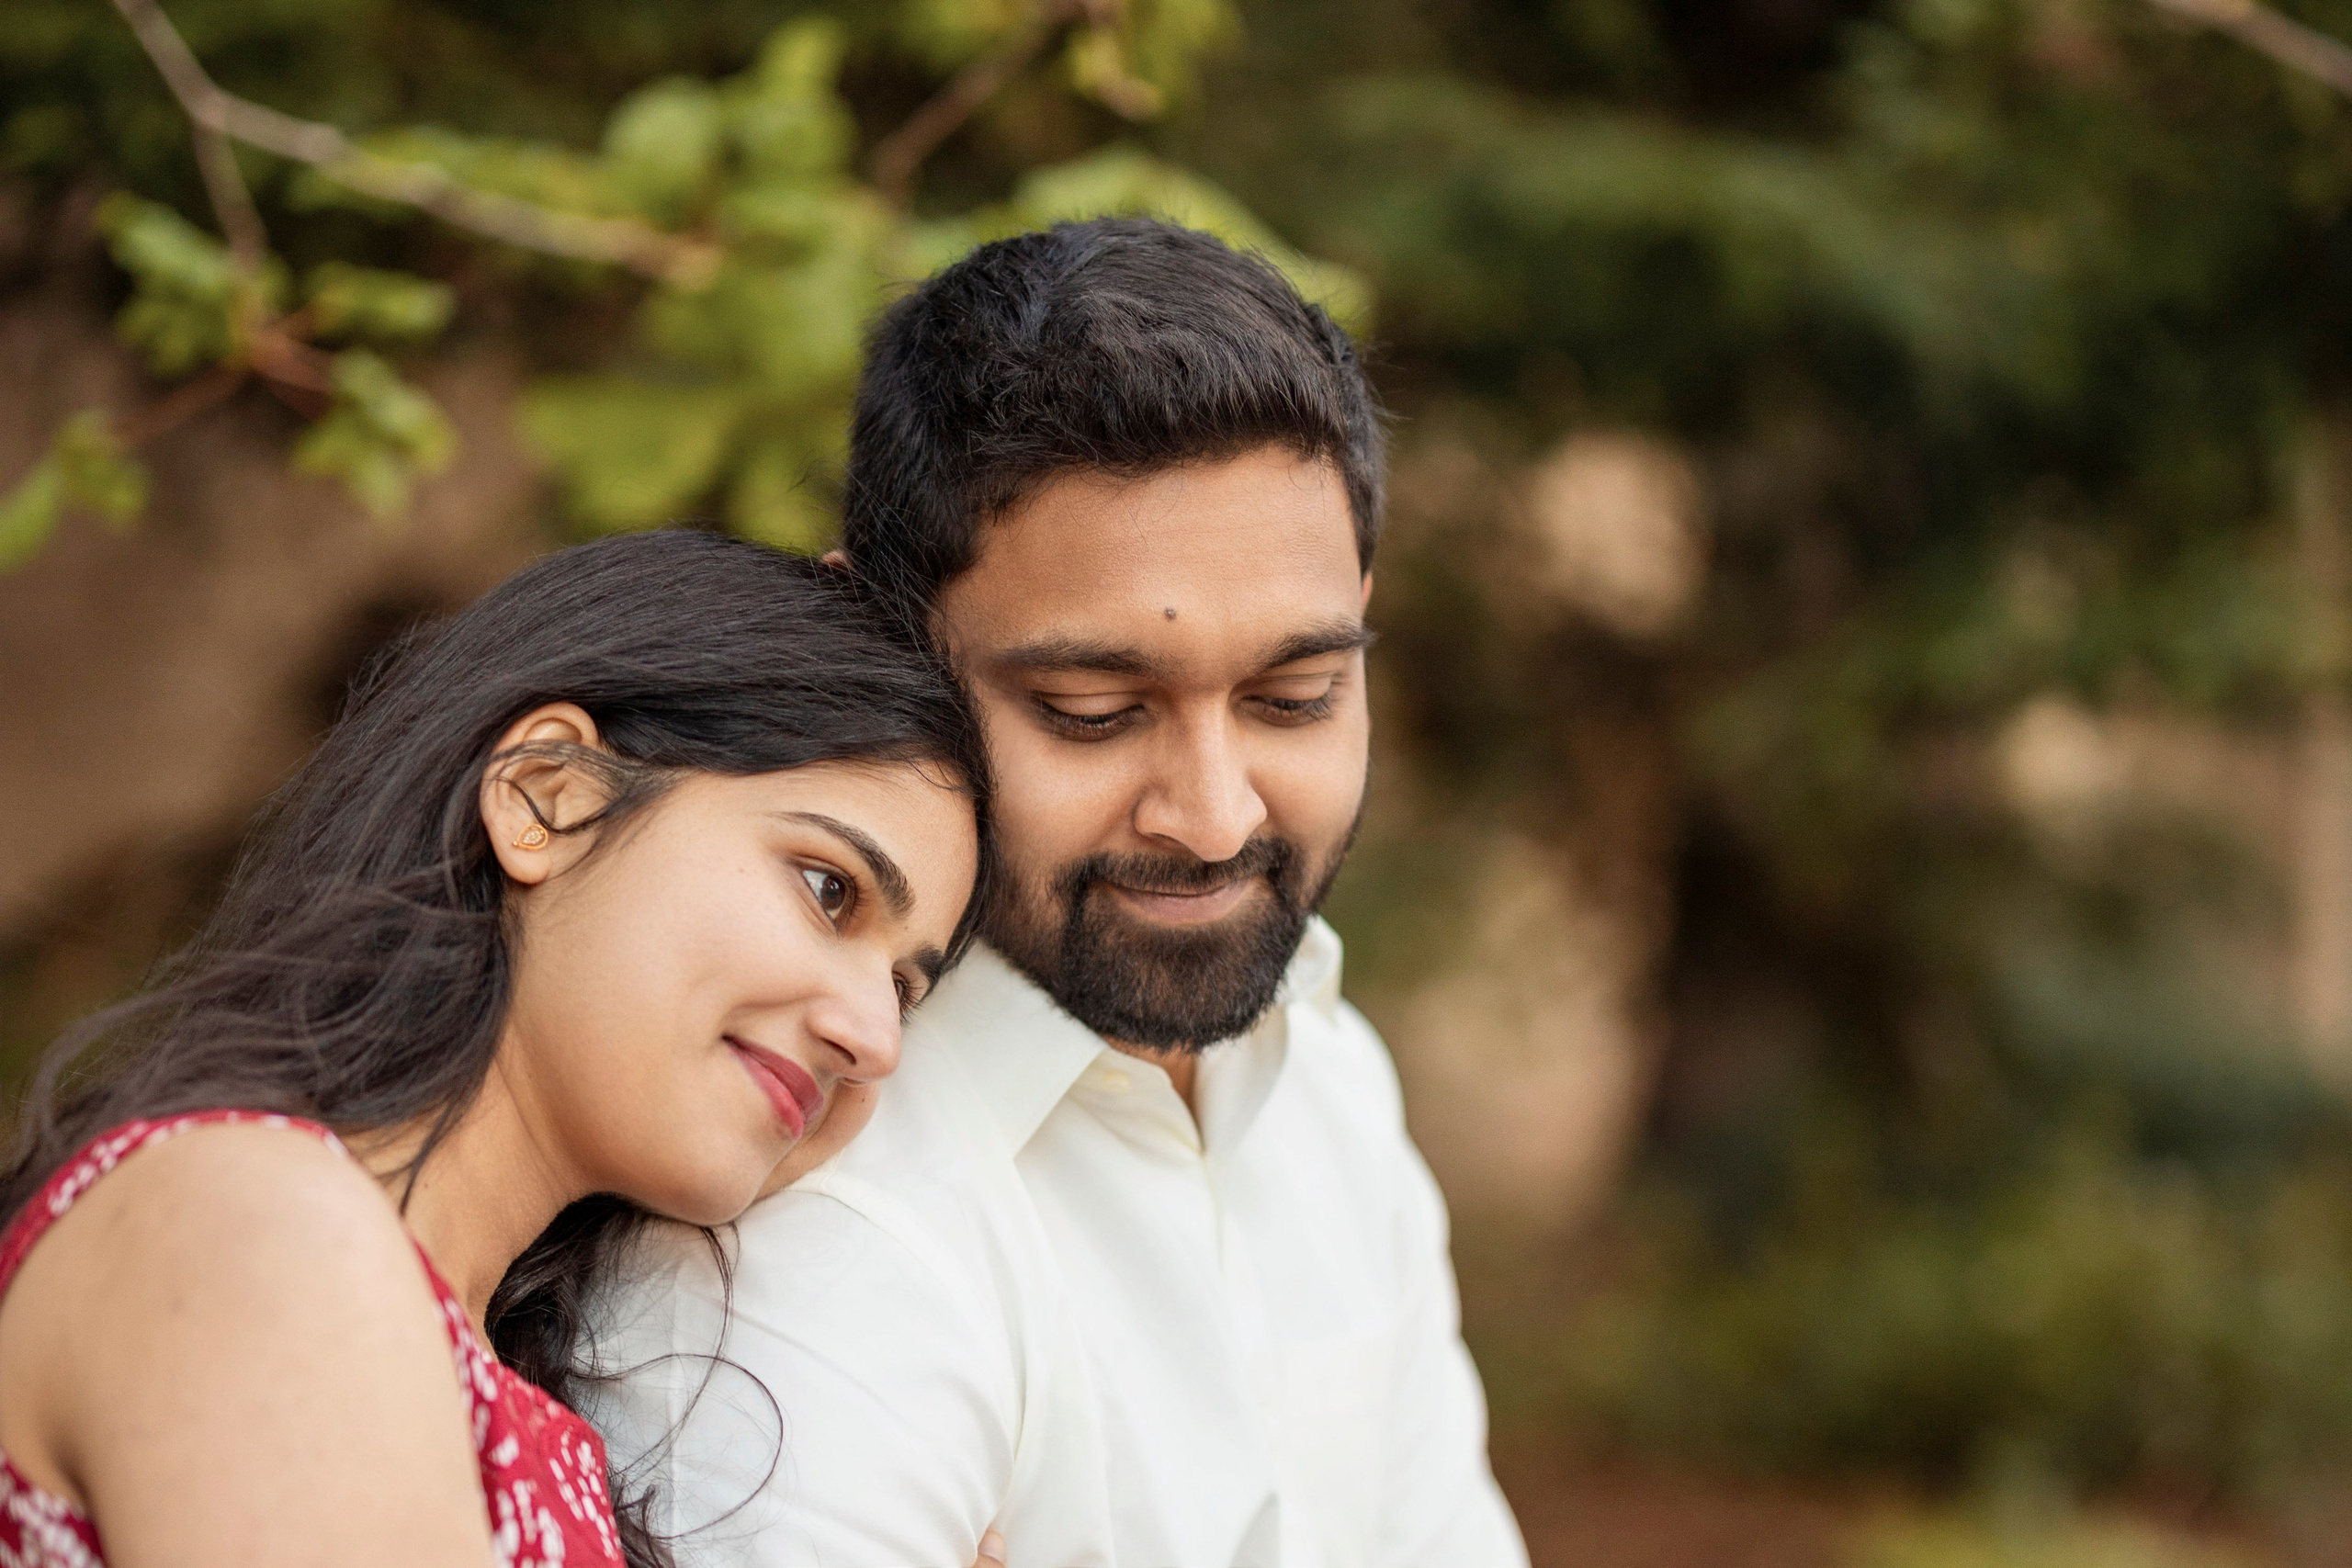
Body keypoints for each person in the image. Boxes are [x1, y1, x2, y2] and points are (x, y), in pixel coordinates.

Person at [591, 220, 1531, 1567]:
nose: (1213, 814)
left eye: (1294, 697)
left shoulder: (1327, 1075)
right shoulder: (793, 1229)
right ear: (888, 651)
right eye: (1092, 711)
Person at [0, 532, 998, 1568]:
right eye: (828, 888)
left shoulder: (503, 1386)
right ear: (548, 797)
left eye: (903, 988)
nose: (874, 1039)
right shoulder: (257, 1229)